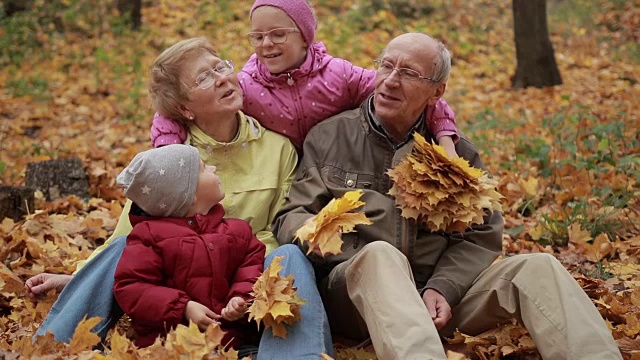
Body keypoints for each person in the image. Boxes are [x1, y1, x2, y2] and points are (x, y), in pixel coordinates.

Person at [272, 32, 623, 360]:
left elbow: (481, 236)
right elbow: (292, 215)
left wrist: (444, 287)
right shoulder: (330, 136)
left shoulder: (456, 154)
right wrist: (316, 233)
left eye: (409, 72)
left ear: (437, 92)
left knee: (537, 267)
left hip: (438, 300)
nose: (391, 80)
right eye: (386, 65)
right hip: (355, 298)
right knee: (380, 255)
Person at [25, 37, 334, 359]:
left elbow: (280, 225)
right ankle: (51, 348)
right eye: (203, 77)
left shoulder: (278, 148)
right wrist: (75, 277)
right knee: (123, 249)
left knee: (289, 255)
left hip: (248, 278)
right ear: (184, 108)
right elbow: (127, 238)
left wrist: (242, 270)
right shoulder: (173, 159)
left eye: (221, 66)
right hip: (178, 280)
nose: (221, 78)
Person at [151, 0, 460, 158]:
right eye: (257, 36)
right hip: (281, 178)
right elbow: (170, 109)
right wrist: (168, 152)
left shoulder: (339, 75)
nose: (266, 44)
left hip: (335, 171)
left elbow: (410, 93)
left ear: (305, 37)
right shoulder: (246, 86)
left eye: (277, 34)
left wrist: (446, 139)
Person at [113, 144, 264, 357]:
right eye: (203, 169)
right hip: (172, 345)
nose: (213, 168)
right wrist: (182, 307)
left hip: (233, 342)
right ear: (189, 195)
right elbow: (132, 287)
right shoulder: (149, 237)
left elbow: (250, 267)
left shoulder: (237, 232)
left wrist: (239, 298)